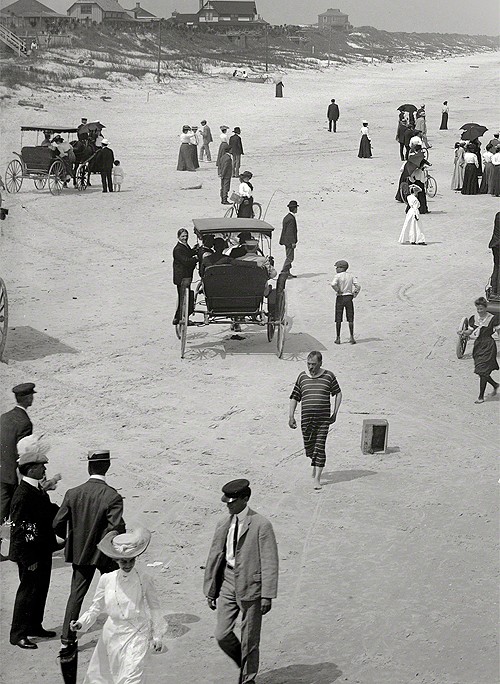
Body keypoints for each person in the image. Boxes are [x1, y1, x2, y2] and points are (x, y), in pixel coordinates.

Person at [204, 479, 279, 684]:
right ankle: (244, 662)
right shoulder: (224, 522)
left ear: (245, 499)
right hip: (228, 580)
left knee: (250, 638)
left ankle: (248, 678)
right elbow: (215, 555)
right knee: (222, 633)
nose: (228, 505)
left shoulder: (261, 525)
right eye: (226, 501)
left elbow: (270, 562)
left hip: (251, 585)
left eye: (232, 501)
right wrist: (211, 589)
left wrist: (267, 595)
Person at [53, 450, 125, 655]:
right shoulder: (113, 496)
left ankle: (67, 639)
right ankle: (120, 632)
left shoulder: (73, 493)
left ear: (88, 467)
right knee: (116, 591)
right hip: (104, 554)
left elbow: (58, 522)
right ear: (108, 467)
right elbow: (116, 527)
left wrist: (70, 539)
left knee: (76, 594)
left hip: (81, 553)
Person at [70, 527, 164, 683]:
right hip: (111, 634)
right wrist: (81, 623)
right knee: (105, 677)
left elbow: (155, 608)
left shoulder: (144, 579)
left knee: (132, 676)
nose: (127, 565)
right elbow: (95, 607)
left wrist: (157, 636)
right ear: (116, 560)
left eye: (131, 560)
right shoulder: (107, 579)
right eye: (123, 561)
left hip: (137, 633)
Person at [9, 435, 59, 649]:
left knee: (40, 589)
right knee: (27, 591)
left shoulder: (35, 488)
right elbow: (22, 530)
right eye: (40, 467)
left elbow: (45, 512)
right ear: (30, 470)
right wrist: (28, 558)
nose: (44, 470)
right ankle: (18, 633)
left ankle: (34, 626)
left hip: (42, 549)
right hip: (31, 553)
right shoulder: (23, 494)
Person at [289, 352, 342, 490]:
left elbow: (338, 393)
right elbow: (294, 396)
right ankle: (314, 460)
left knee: (320, 447)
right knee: (309, 447)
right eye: (309, 364)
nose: (311, 367)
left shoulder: (329, 376)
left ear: (320, 363)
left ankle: (317, 479)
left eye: (314, 364)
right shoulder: (302, 376)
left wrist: (335, 413)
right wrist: (291, 416)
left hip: (323, 420)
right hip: (306, 420)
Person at [0, 383, 35, 561]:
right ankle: (17, 550)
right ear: (28, 398)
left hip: (1, 471)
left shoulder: (4, 417)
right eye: (31, 396)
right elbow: (23, 452)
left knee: (2, 509)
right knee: (20, 511)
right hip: (14, 475)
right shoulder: (25, 423)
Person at [458, 297, 499, 403]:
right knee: (481, 371)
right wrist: (463, 333)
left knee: (483, 370)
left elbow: (499, 332)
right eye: (478, 309)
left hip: (489, 346)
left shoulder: (493, 318)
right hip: (478, 346)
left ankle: (481, 397)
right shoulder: (474, 318)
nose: (479, 311)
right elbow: (469, 332)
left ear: (486, 308)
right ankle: (495, 385)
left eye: (481, 309)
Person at [330, 260, 361, 344]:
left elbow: (333, 284)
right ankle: (351, 337)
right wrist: (354, 294)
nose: (336, 269)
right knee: (350, 318)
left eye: (337, 267)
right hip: (349, 297)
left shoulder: (337, 276)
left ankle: (338, 338)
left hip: (340, 298)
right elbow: (358, 286)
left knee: (338, 318)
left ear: (341, 268)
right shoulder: (351, 276)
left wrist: (338, 290)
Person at [172, 228, 198, 325]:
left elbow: (188, 253)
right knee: (183, 299)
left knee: (184, 297)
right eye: (183, 236)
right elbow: (186, 261)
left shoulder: (184, 246)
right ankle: (178, 318)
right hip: (182, 278)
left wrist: (194, 250)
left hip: (185, 277)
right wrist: (195, 258)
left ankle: (179, 317)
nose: (185, 238)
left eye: (186, 236)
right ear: (178, 237)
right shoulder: (178, 249)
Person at [279, 200, 298, 278]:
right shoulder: (291, 218)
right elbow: (290, 231)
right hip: (289, 241)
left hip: (285, 240)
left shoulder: (287, 217)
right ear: (294, 208)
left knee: (288, 256)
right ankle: (284, 272)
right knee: (290, 258)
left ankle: (287, 272)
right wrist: (293, 242)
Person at [488, 213, 500, 296]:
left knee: (497, 266)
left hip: (495, 245)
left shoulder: (498, 215)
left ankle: (494, 290)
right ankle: (498, 292)